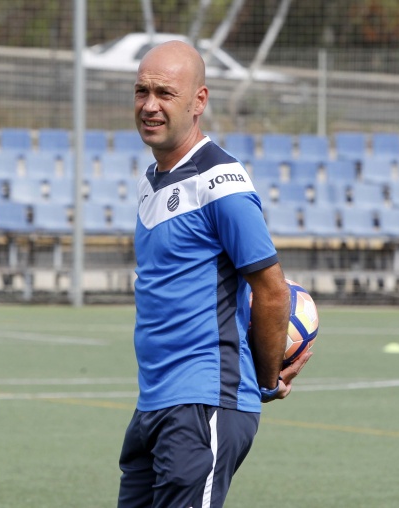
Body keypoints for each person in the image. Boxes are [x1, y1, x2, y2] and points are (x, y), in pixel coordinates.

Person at [117, 40, 313, 508]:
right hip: (155, 402)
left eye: (165, 93)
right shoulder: (151, 180)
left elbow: (271, 291)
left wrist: (266, 380)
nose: (149, 105)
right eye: (142, 91)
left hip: (204, 403)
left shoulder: (221, 183)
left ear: (199, 101)